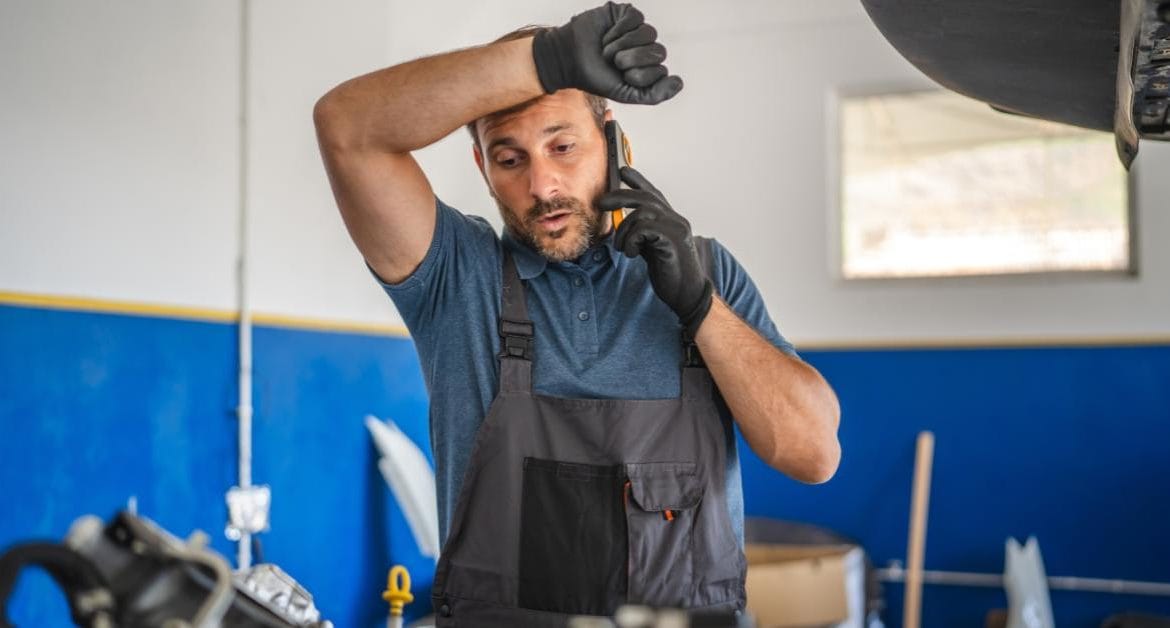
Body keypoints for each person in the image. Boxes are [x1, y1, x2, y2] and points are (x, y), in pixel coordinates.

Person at [313, 3, 841, 624]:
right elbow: (346, 127)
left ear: (614, 142)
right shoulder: (460, 280)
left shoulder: (708, 272)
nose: (543, 186)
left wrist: (698, 304)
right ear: (482, 168)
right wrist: (549, 58)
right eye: (510, 159)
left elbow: (813, 455)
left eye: (562, 146)